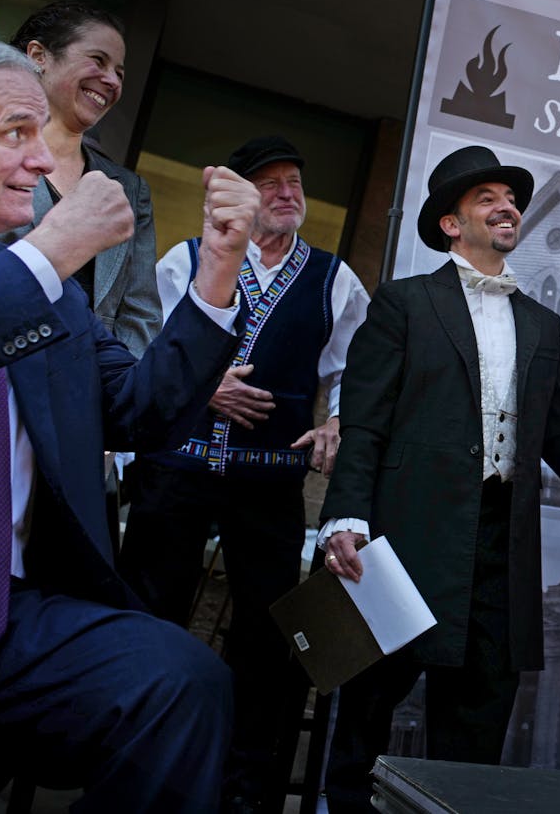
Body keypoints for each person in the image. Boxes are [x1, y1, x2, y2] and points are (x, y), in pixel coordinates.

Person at [0, 27, 260, 811]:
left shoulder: (38, 280)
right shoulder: (38, 267)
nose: (40, 161)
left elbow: (137, 409)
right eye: (15, 134)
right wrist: (50, 249)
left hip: (12, 609)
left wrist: (218, 269)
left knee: (182, 679)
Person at [316, 145, 560, 813]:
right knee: (368, 705)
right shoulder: (402, 304)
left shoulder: (542, 323)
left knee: (477, 718)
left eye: (511, 198)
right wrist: (346, 516)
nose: (507, 207)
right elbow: (364, 423)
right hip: (407, 531)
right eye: (487, 198)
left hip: (500, 542)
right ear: (451, 223)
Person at [117, 134, 370, 813]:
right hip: (177, 471)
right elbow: (146, 351)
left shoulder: (334, 278)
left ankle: (246, 791)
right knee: (149, 617)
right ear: (243, 195)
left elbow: (355, 371)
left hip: (269, 485)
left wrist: (338, 421)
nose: (288, 192)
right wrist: (204, 387)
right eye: (271, 182)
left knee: (267, 640)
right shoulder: (188, 259)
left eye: (295, 181)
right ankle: (138, 772)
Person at [2, 0, 160, 356]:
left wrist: (117, 392)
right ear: (38, 55)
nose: (111, 80)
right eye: (98, 60)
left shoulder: (129, 191)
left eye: (119, 72)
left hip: (82, 387)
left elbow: (140, 315)